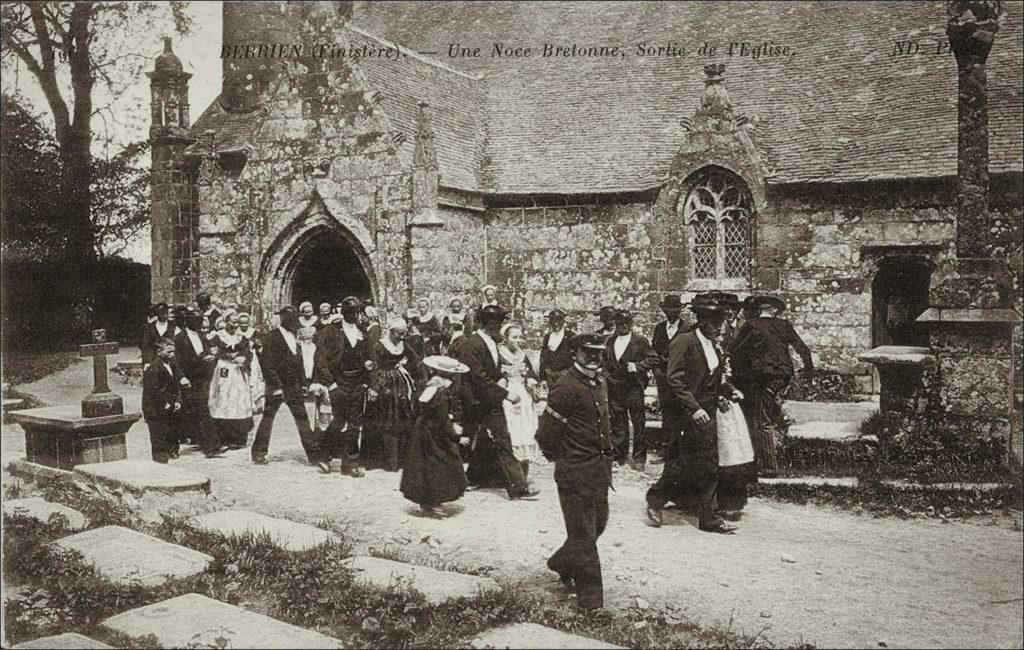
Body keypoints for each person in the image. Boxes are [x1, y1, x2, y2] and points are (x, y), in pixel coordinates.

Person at [645, 297, 744, 534]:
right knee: (680, 462)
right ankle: (655, 499)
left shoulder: (713, 345)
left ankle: (708, 517)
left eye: (720, 322)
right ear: (702, 321)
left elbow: (715, 378)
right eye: (715, 322)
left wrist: (730, 390)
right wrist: (694, 408)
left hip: (707, 413)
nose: (720, 327)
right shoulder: (684, 342)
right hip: (687, 413)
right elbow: (674, 379)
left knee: (709, 462)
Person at [535, 333, 615, 613]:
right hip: (575, 472)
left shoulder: (600, 381)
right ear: (574, 353)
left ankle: (560, 562)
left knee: (598, 525)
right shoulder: (566, 386)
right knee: (583, 536)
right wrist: (565, 460)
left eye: (599, 352)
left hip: (599, 471)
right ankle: (591, 604)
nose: (594, 357)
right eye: (587, 352)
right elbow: (546, 434)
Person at [453, 305, 539, 500]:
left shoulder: (491, 342)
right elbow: (478, 378)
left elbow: (493, 372)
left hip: (489, 401)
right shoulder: (471, 344)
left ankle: (517, 488)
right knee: (475, 442)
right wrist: (505, 393)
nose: (500, 326)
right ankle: (453, 482)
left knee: (498, 440)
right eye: (497, 323)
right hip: (476, 402)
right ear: (489, 324)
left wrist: (502, 379)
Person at [731, 295, 814, 477]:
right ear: (774, 310)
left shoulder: (751, 325)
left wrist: (740, 375)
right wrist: (809, 370)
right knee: (768, 413)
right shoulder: (784, 325)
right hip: (783, 377)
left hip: (764, 377)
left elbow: (736, 351)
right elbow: (803, 349)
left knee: (762, 420)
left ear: (759, 310)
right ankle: (761, 460)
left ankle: (768, 467)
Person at [400, 355, 472, 516]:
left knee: (425, 465)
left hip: (423, 430)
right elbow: (441, 420)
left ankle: (427, 501)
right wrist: (456, 437)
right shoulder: (442, 392)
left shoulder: (430, 386)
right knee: (441, 464)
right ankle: (434, 501)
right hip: (434, 433)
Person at [252, 306, 323, 467]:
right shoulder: (271, 337)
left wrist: (303, 383)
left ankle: (314, 455)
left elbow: (298, 361)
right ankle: (259, 453)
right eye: (291, 319)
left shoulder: (293, 336)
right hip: (277, 386)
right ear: (284, 319)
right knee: (268, 418)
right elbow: (267, 364)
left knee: (302, 419)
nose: (294, 322)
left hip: (294, 386)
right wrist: (276, 386)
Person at [315, 296, 377, 477]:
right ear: (343, 312)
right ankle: (323, 454)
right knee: (339, 421)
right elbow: (320, 359)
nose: (353, 315)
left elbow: (371, 358)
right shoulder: (329, 331)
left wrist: (370, 380)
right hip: (338, 382)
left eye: (356, 312)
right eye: (349, 312)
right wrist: (331, 383)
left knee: (355, 424)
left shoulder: (363, 333)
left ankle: (350, 464)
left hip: (357, 383)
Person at [603, 309, 658, 470]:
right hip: (615, 387)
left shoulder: (640, 341)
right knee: (618, 422)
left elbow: (654, 358)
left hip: (633, 387)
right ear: (615, 324)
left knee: (638, 423)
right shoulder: (609, 341)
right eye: (620, 323)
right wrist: (608, 377)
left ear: (631, 324)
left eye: (627, 323)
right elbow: (603, 363)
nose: (623, 326)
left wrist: (639, 366)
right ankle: (619, 455)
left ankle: (639, 457)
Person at [365, 318, 423, 471]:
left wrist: (412, 369)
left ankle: (402, 459)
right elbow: (374, 368)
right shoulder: (379, 345)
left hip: (402, 387)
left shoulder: (403, 345)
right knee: (386, 420)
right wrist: (375, 387)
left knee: (403, 418)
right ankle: (386, 461)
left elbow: (416, 361)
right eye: (399, 334)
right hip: (385, 386)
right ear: (391, 332)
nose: (402, 337)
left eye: (404, 333)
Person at [174, 309, 228, 458]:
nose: (199, 323)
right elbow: (177, 361)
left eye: (201, 320)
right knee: (198, 411)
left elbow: (209, 351)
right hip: (188, 379)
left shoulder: (202, 336)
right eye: (196, 320)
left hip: (201, 379)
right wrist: (181, 377)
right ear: (188, 321)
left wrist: (211, 356)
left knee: (199, 411)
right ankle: (211, 446)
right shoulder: (179, 339)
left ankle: (208, 445)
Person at [208, 310, 255, 449]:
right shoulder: (217, 337)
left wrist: (244, 358)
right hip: (224, 371)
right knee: (223, 400)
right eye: (233, 323)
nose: (236, 326)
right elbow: (211, 350)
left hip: (238, 372)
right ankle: (223, 437)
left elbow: (248, 353)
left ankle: (239, 438)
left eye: (237, 323)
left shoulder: (242, 337)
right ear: (226, 322)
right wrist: (217, 354)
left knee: (238, 401)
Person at [651, 295, 687, 463]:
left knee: (682, 411)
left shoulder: (687, 328)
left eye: (675, 310)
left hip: (681, 378)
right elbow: (653, 351)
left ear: (680, 311)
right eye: (668, 310)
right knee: (667, 412)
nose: (671, 313)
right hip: (664, 377)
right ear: (664, 311)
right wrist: (658, 368)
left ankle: (680, 452)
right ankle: (665, 450)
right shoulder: (659, 328)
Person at [499, 324, 541, 461]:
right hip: (506, 390)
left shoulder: (522, 355)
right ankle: (511, 449)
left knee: (526, 415)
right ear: (505, 338)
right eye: (514, 337)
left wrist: (530, 380)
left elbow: (531, 374)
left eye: (520, 337)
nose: (518, 340)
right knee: (510, 415)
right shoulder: (500, 354)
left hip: (522, 390)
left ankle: (525, 451)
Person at [142, 339, 183, 463]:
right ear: (159, 352)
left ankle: (171, 452)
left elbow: (176, 386)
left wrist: (177, 400)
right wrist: (164, 403)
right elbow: (153, 390)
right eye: (168, 352)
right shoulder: (153, 368)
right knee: (158, 436)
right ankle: (160, 461)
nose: (172, 355)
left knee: (170, 431)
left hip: (169, 406)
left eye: (173, 352)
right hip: (156, 409)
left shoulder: (172, 365)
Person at [538, 309, 576, 388]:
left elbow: (576, 357)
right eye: (552, 320)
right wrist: (543, 378)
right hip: (550, 375)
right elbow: (543, 358)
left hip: (565, 374)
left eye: (559, 320)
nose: (556, 323)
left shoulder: (570, 336)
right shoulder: (547, 337)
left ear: (563, 321)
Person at [238, 312, 265, 414]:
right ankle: (245, 405)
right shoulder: (237, 333)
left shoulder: (254, 333)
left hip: (252, 358)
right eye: (241, 323)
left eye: (246, 323)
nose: (244, 325)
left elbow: (259, 345)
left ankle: (257, 404)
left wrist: (258, 348)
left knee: (254, 379)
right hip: (241, 358)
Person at [141, 302, 177, 368]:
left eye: (166, 313)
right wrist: (147, 361)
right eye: (162, 313)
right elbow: (145, 346)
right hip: (153, 359)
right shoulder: (150, 327)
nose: (165, 316)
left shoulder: (173, 326)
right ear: (157, 314)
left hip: (169, 360)